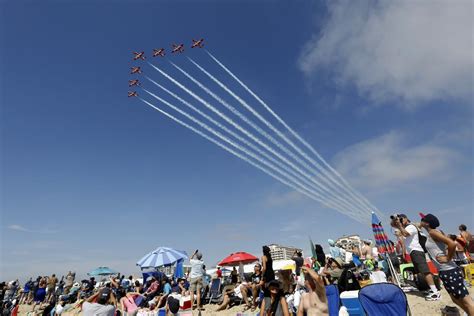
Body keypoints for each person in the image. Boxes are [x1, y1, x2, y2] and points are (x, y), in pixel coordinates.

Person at [420, 213, 474, 314]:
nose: (420, 221)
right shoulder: (437, 231)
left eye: (422, 220)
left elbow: (452, 243)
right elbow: (446, 245)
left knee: (466, 301)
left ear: (427, 223)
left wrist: (448, 258)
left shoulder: (433, 232)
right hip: (446, 271)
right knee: (456, 299)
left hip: (449, 270)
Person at [391, 213, 440, 300]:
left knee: (425, 271)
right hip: (413, 252)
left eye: (402, 219)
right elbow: (394, 227)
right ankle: (430, 289)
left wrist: (399, 225)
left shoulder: (411, 226)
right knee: (421, 272)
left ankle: (435, 292)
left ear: (406, 218)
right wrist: (396, 221)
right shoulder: (405, 227)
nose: (401, 221)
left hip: (417, 251)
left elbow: (406, 234)